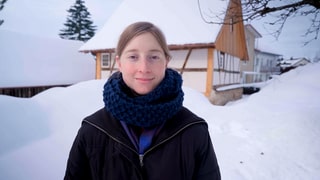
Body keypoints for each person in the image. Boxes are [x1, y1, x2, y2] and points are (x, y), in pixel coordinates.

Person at [64, 21, 221, 180]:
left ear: (166, 61)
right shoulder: (93, 130)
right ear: (119, 63)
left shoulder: (193, 130)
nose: (144, 67)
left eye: (154, 57)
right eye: (133, 57)